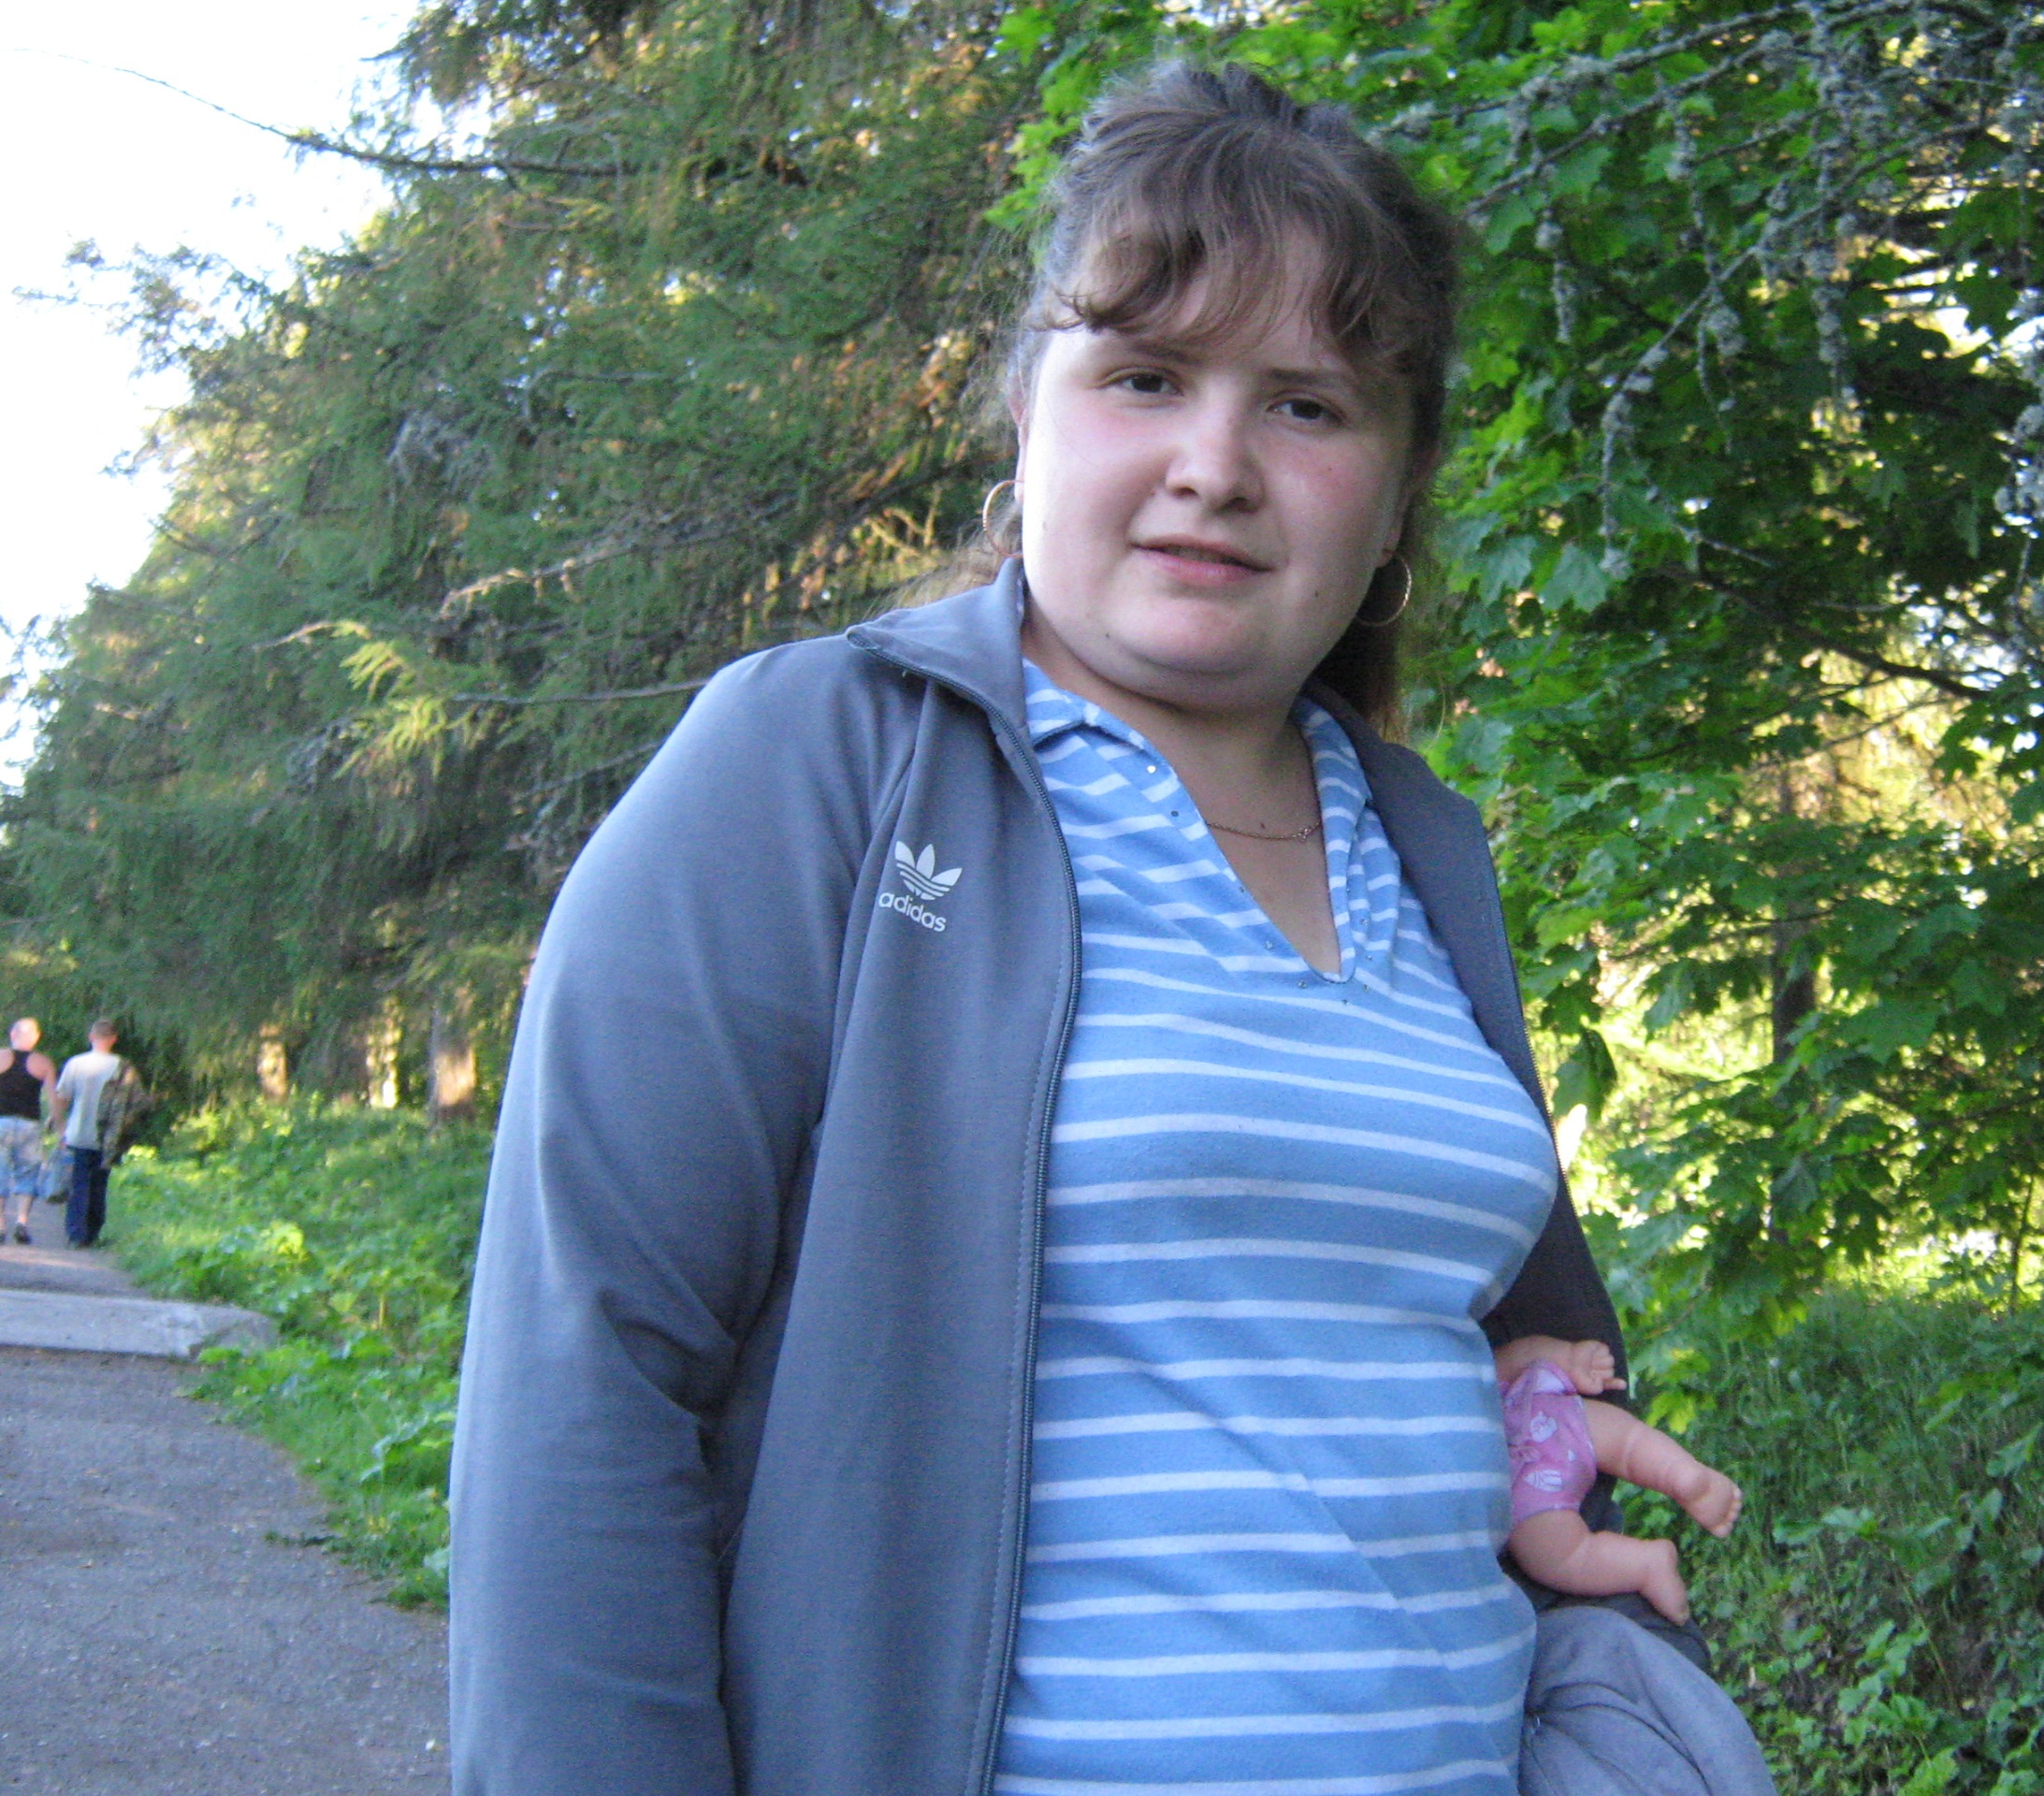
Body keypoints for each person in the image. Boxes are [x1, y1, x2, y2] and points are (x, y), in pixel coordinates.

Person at [451, 62, 1761, 1796]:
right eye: (1146, 377)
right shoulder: (816, 762)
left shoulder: (1422, 845)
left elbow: (1387, 1334)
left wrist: (1524, 1434)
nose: (1215, 468)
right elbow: (583, 1389)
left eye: (1309, 406)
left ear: (1395, 493)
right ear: (1028, 412)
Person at [1494, 1334, 1743, 1624]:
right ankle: (1682, 1475)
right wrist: (1569, 1357)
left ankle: (1643, 1565)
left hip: (1519, 1485)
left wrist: (1571, 1358)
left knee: (1566, 1557)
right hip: (1536, 1416)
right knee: (1628, 1442)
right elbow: (1505, 1358)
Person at [56, 1018, 140, 1249]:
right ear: (114, 1039)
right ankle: (93, 1233)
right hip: (109, 1137)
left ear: (91, 1037)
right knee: (99, 1185)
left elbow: (63, 1097)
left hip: (78, 1133)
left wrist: (59, 1126)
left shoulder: (76, 1064)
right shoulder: (124, 1067)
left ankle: (76, 1234)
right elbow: (137, 1102)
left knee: (78, 1185)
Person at [0, 1018, 58, 1245]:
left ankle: (1, 1225)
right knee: (28, 1174)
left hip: (1, 1122)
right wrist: (59, 1124)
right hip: (29, 1125)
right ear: (36, 1038)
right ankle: (22, 1221)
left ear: (12, 1034)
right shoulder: (43, 1063)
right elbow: (53, 1098)